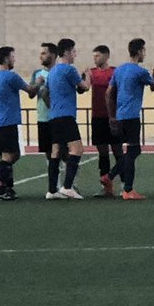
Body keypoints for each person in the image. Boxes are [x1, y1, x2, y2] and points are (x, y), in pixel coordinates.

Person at [104, 38, 154, 200]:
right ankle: (127, 189)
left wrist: (112, 116)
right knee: (132, 151)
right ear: (139, 51)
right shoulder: (139, 71)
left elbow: (109, 93)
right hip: (132, 116)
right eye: (144, 50)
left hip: (120, 115)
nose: (145, 53)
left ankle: (110, 176)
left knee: (133, 150)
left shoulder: (120, 70)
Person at [0, 46, 43, 201]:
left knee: (7, 155)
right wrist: (38, 82)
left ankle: (8, 188)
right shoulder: (11, 77)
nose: (14, 59)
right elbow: (30, 90)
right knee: (13, 155)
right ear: (6, 59)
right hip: (9, 121)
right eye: (13, 57)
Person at [45, 38, 91, 200]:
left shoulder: (52, 72)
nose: (75, 54)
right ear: (66, 52)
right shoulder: (69, 70)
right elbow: (84, 87)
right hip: (66, 115)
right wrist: (88, 76)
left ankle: (51, 190)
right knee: (77, 149)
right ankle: (67, 186)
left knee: (56, 151)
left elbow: (46, 92)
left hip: (54, 116)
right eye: (73, 51)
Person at [88, 45, 123, 197]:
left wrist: (115, 116)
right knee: (102, 153)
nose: (95, 59)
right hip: (97, 117)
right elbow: (84, 87)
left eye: (98, 56)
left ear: (106, 56)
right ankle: (106, 187)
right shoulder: (91, 73)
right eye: (94, 56)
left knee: (118, 151)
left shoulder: (114, 72)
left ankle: (125, 185)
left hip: (113, 117)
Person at [31, 42, 57, 161]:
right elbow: (31, 94)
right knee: (48, 151)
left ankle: (70, 176)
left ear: (52, 55)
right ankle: (53, 178)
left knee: (62, 151)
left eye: (43, 53)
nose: (40, 56)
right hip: (43, 117)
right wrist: (37, 84)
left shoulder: (59, 72)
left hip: (58, 117)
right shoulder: (37, 73)